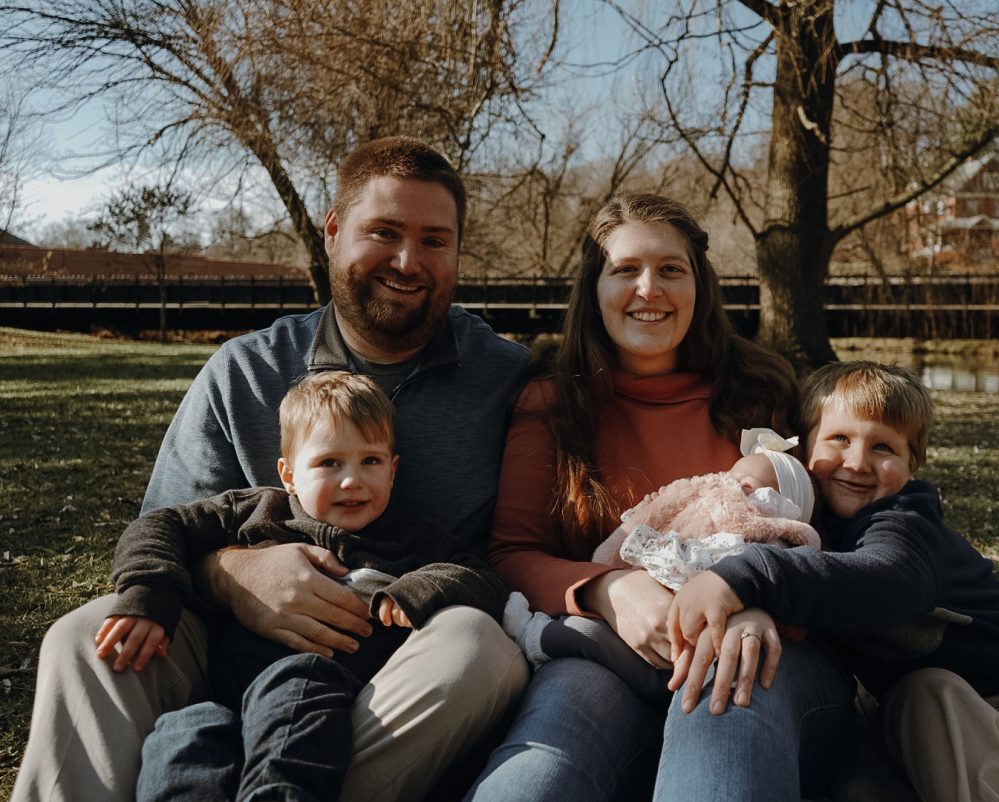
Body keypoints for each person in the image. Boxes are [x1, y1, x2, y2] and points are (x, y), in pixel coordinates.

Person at [13, 136, 531, 802]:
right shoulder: (246, 370)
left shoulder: (510, 381)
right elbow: (167, 532)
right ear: (335, 233)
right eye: (385, 232)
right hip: (236, 654)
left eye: (435, 240)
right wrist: (237, 574)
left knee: (479, 647)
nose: (408, 261)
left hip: (400, 669)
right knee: (84, 639)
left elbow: (515, 555)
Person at [467, 192, 857, 802]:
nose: (649, 289)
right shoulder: (551, 400)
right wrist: (610, 590)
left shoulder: (760, 388)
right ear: (593, 289)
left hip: (765, 646)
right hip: (604, 654)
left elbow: (813, 533)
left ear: (699, 285)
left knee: (720, 707)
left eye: (670, 269)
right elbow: (512, 553)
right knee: (536, 776)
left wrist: (756, 596)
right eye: (626, 270)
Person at [668, 360, 999, 802]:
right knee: (925, 697)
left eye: (883, 447)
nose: (857, 462)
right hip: (938, 706)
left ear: (913, 463)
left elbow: (888, 582)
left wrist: (749, 575)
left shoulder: (904, 520)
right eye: (839, 439)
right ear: (804, 447)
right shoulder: (801, 531)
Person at [94, 371, 508, 801]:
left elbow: (485, 580)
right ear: (288, 474)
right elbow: (161, 525)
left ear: (393, 469)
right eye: (329, 463)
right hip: (227, 697)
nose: (352, 480)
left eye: (371, 461)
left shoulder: (411, 541)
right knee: (182, 732)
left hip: (330, 702)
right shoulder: (260, 511)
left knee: (301, 681)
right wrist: (150, 591)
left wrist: (418, 589)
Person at [502, 430, 820, 703]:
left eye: (746, 484)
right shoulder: (549, 399)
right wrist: (605, 585)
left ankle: (534, 636)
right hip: (627, 628)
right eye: (730, 477)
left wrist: (755, 603)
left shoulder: (764, 545)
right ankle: (539, 633)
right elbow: (513, 550)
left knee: (593, 640)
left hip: (687, 664)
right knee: (585, 636)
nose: (730, 487)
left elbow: (780, 578)